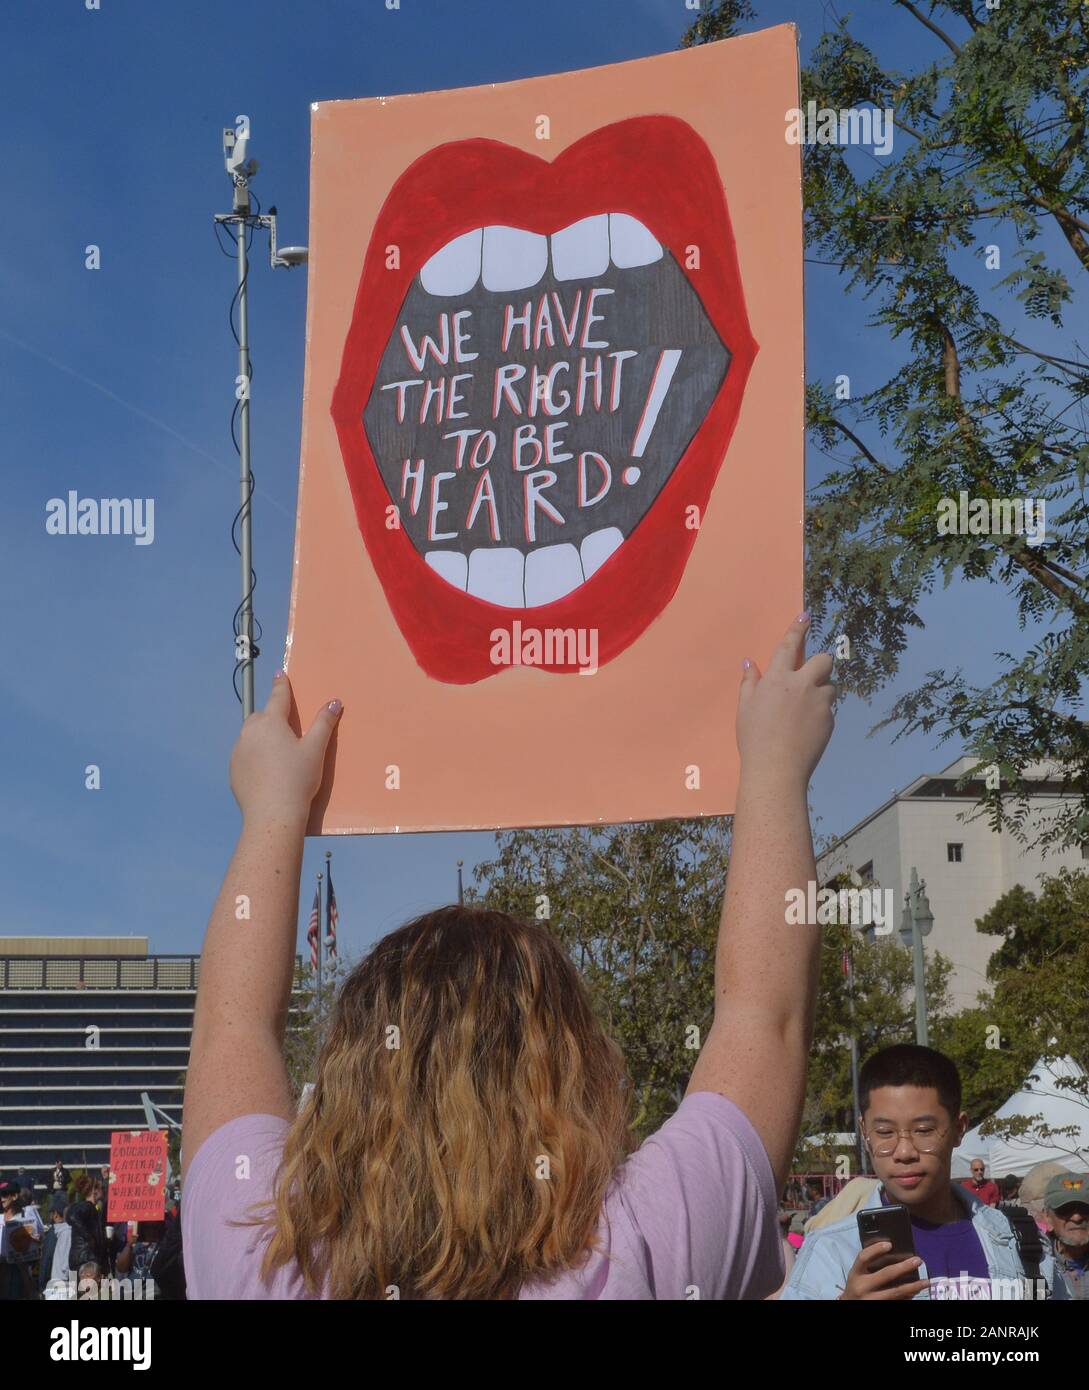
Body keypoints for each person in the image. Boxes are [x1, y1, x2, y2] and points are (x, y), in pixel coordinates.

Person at [181, 614, 835, 1299]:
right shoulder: (641, 1247)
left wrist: (270, 812)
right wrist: (774, 774)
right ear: (574, 1066)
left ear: (349, 1074)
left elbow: (230, 1030)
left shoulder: (262, 1265)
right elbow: (764, 1018)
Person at [781, 1044, 1068, 1300]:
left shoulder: (1020, 1241)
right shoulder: (831, 1252)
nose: (904, 1152)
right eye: (884, 1132)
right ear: (864, 1133)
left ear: (959, 1129)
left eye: (923, 1131)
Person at [1043, 1171, 1088, 1300]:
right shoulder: (1034, 1265)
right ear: (1048, 1218)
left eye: (1085, 1208)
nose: (1077, 1217)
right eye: (1065, 1209)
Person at [0, 1180, 44, 1300]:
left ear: (14, 1196)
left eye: (4, 1194)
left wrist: (35, 1240)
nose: (1, 1198)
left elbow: (38, 1242)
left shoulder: (24, 1217)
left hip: (18, 1271)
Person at [38, 1196, 73, 1295]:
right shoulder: (69, 1231)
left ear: (56, 1215)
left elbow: (47, 1259)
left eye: (51, 1213)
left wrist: (42, 1283)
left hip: (59, 1284)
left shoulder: (56, 1233)